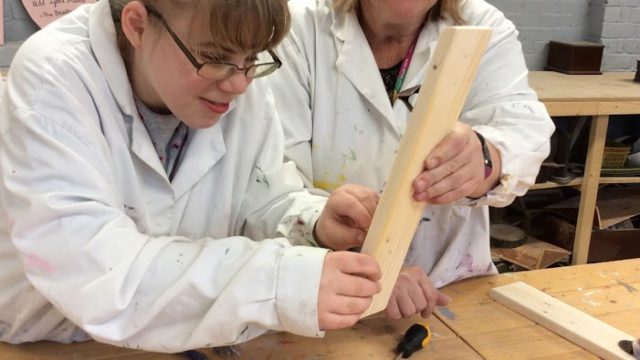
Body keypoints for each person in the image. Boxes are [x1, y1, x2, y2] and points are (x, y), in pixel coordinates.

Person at [0, 0, 384, 353]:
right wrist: (279, 282)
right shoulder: (55, 78)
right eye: (214, 57)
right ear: (137, 26)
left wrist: (313, 225)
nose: (239, 83)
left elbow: (258, 198)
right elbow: (97, 271)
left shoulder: (238, 81)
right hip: (49, 340)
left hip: (177, 337)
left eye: (252, 58)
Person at [269, 0, 555, 319]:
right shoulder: (297, 28)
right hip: (327, 290)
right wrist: (355, 251)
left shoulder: (481, 25)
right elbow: (270, 183)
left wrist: (487, 159)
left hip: (451, 288)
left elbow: (523, 129)